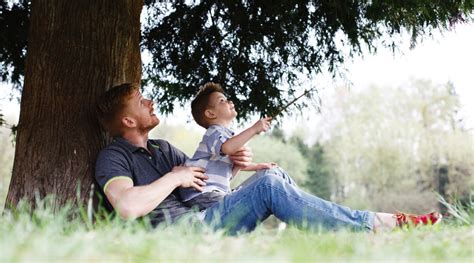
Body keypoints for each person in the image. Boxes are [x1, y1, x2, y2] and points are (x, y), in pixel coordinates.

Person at [95, 83, 442, 234]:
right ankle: (375, 226)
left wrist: (228, 168)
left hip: (208, 217)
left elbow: (204, 185)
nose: (151, 103)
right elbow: (126, 207)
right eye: (142, 103)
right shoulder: (113, 157)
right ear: (127, 121)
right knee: (270, 184)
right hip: (185, 233)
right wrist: (174, 177)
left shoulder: (163, 149)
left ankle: (358, 226)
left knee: (273, 178)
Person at [179, 82, 277, 210]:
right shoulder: (213, 132)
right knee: (240, 207)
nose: (229, 101)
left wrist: (258, 166)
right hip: (201, 193)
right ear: (210, 113)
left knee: (244, 201)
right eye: (222, 101)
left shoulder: (226, 137)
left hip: (210, 193)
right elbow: (228, 148)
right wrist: (253, 129)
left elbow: (233, 161)